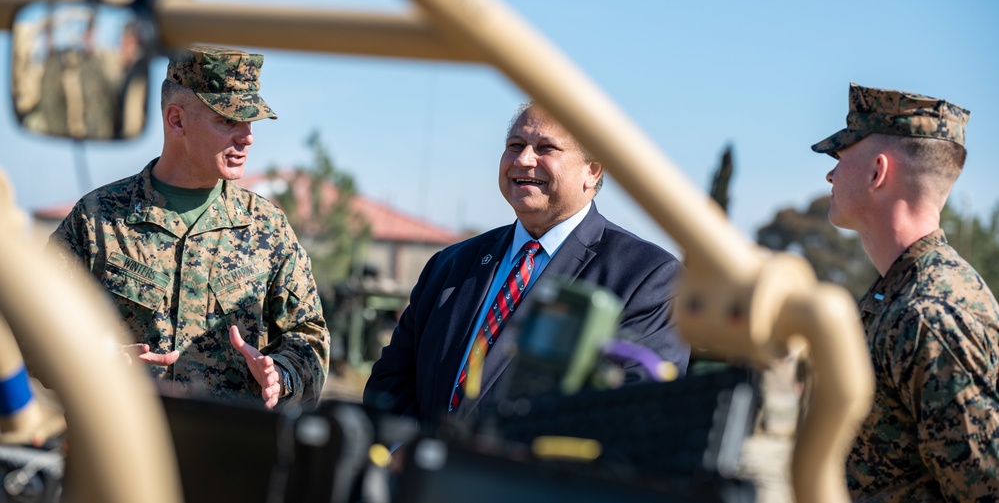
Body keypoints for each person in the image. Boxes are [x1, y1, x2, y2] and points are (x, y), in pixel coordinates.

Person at [364, 101, 689, 424]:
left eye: (545, 148)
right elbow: (390, 381)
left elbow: (632, 413)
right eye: (515, 145)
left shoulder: (647, 278)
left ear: (592, 170)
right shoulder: (449, 266)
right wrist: (403, 451)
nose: (523, 159)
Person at [48, 45, 330, 409]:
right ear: (177, 120)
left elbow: (309, 338)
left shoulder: (267, 229)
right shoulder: (98, 219)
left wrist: (282, 373)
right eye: (228, 121)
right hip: (118, 454)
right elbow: (31, 327)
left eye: (250, 122)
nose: (247, 137)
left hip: (227, 455)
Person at [812, 82, 999, 502]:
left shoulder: (929, 313)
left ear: (878, 172)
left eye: (840, 157)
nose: (830, 173)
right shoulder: (899, 294)